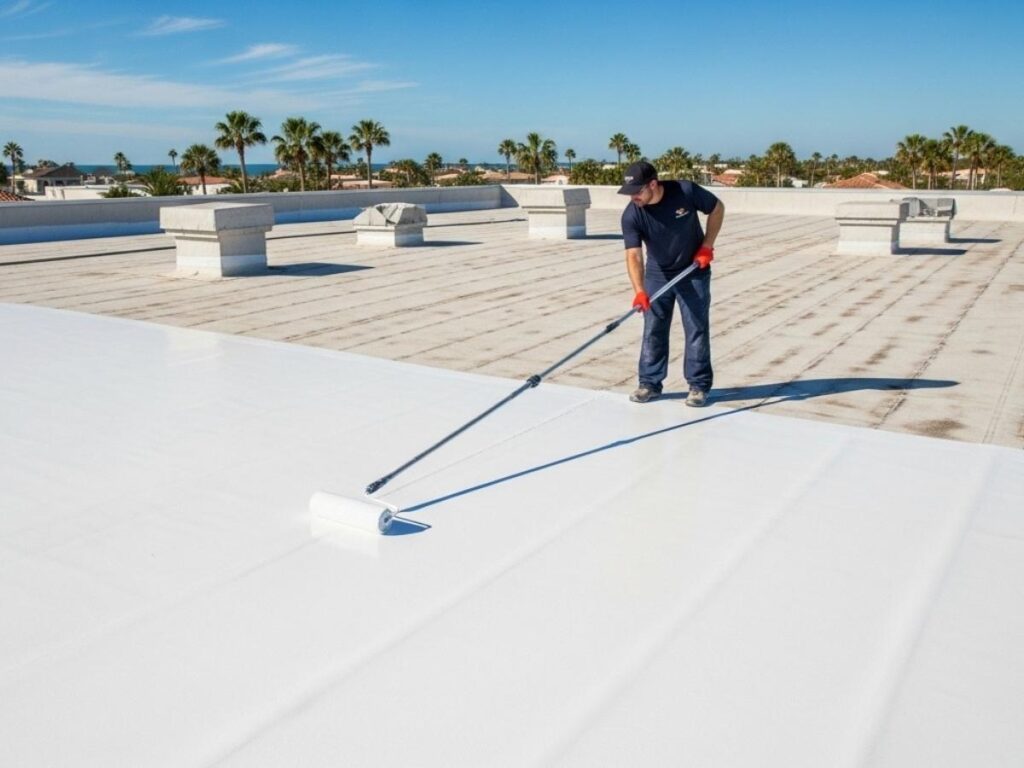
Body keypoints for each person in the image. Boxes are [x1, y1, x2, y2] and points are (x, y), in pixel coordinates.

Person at [618, 160, 724, 407]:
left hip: (693, 270)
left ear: (653, 184)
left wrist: (707, 246)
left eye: (637, 191)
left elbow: (717, 208)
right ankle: (649, 383)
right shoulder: (632, 214)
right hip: (657, 274)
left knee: (696, 328)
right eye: (629, 193)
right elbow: (633, 254)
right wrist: (640, 291)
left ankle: (698, 386)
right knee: (653, 328)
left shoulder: (685, 191)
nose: (633, 197)